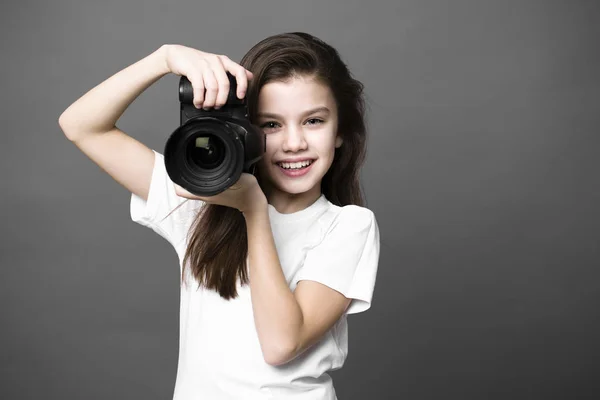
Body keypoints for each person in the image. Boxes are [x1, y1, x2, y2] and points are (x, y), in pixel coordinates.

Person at [58, 32, 380, 400]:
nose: (294, 143)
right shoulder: (200, 204)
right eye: (271, 125)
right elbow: (81, 126)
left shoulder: (348, 226)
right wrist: (164, 59)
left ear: (340, 132)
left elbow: (281, 344)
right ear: (245, 130)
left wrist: (254, 210)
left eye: (313, 121)